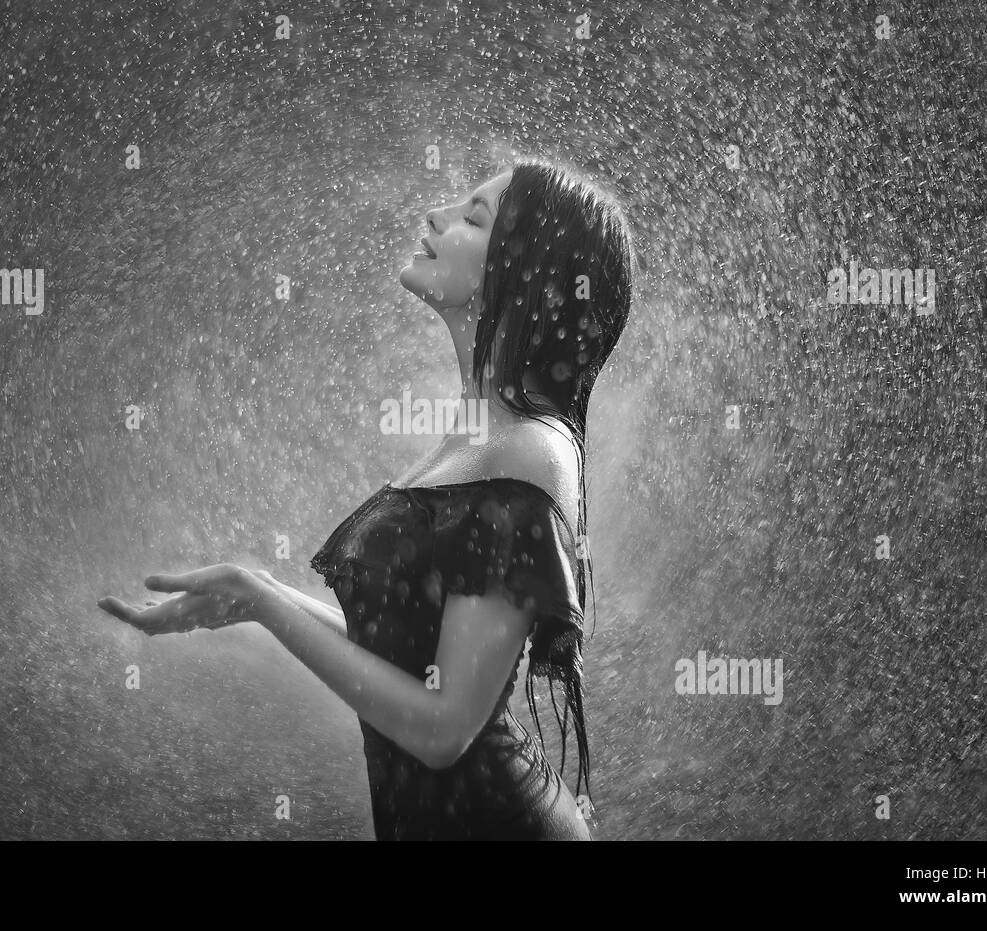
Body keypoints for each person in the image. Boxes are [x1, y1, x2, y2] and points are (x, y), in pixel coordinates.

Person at [99, 157, 636, 840]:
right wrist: (254, 593)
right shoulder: (476, 438)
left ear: (530, 273)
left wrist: (265, 601)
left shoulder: (529, 449)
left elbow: (443, 728)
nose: (434, 217)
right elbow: (403, 656)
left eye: (473, 217)